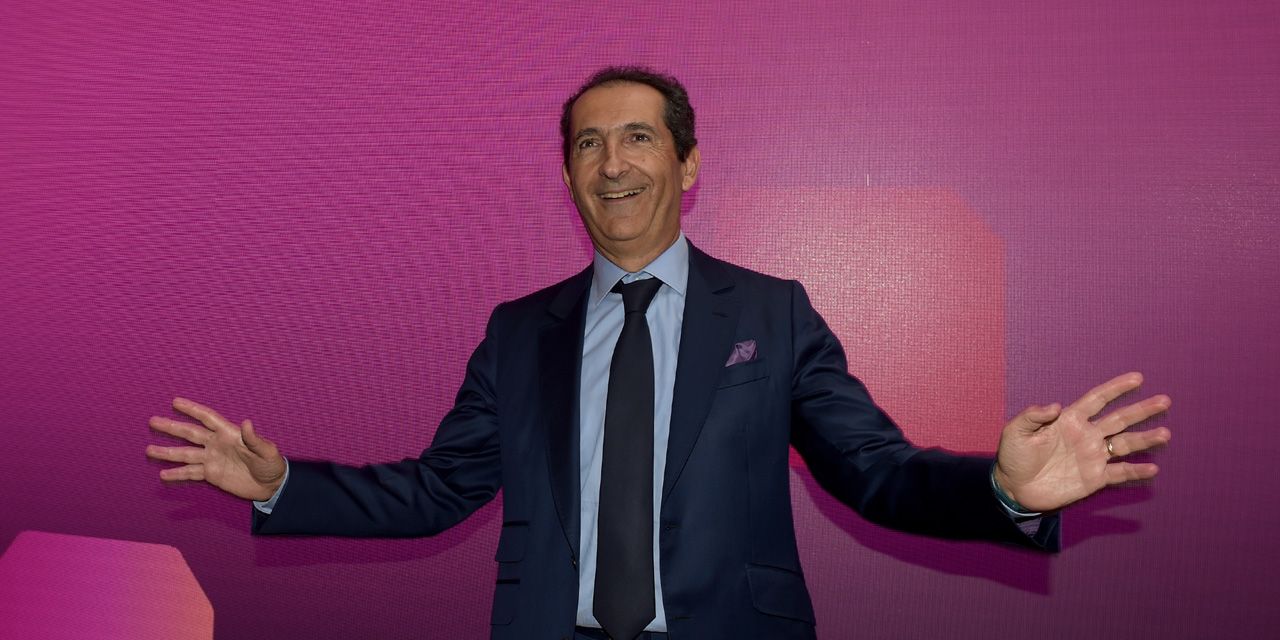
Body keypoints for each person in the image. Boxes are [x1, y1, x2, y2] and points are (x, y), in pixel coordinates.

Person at [146, 67, 1172, 640]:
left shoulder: (772, 313)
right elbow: (435, 489)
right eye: (587, 143)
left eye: (637, 137)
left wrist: (1002, 488)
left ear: (686, 164)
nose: (612, 162)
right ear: (567, 176)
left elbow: (874, 471)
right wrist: (281, 484)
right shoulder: (517, 332)